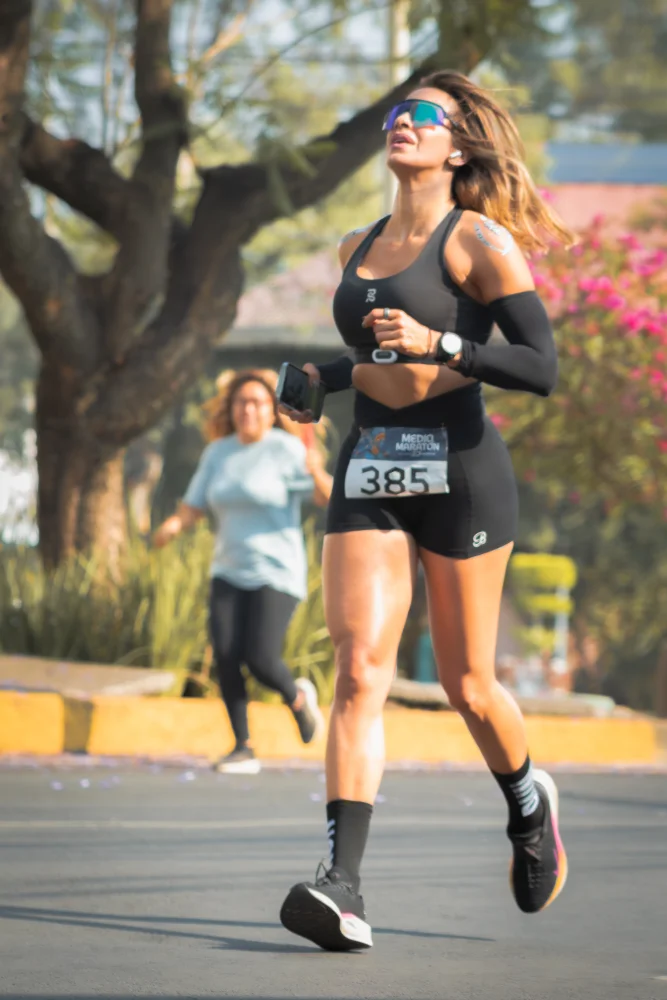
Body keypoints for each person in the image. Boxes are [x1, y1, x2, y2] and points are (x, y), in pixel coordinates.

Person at [278, 70, 575, 951]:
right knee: (359, 670)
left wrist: (444, 341)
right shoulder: (355, 245)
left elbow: (539, 365)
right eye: (395, 113)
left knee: (467, 685)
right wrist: (322, 378)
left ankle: (527, 803)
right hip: (372, 460)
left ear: (455, 149)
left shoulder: (477, 240)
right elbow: (378, 360)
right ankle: (341, 885)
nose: (401, 123)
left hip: (460, 467)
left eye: (423, 115)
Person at [153, 368, 333, 775]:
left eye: (257, 403)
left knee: (261, 658)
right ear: (231, 409)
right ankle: (243, 748)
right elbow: (194, 505)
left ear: (272, 411)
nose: (247, 410)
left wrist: (316, 468)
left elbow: (326, 497)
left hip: (276, 571)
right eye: (241, 403)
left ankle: (297, 698)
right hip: (228, 569)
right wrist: (173, 526)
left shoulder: (286, 450)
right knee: (227, 655)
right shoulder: (218, 453)